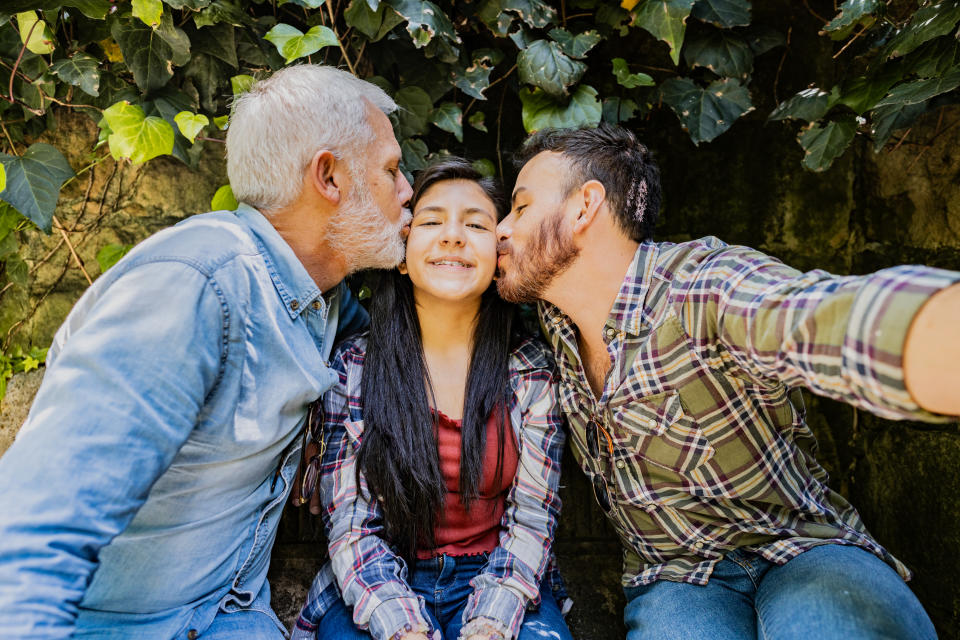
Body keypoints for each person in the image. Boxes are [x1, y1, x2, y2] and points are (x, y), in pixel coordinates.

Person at [494, 123, 960, 639]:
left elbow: (816, 319)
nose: (500, 228)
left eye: (520, 207)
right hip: (674, 576)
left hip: (801, 544)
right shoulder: (553, 326)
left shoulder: (703, 286)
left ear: (585, 207)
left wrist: (931, 334)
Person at [0, 64, 413, 639]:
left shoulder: (321, 295)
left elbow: (391, 357)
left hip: (230, 613)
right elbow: (40, 519)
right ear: (330, 176)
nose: (408, 191)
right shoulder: (196, 287)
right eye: (392, 170)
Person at [289, 158, 572, 640]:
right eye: (433, 221)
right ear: (401, 255)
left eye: (476, 225)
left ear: (499, 253)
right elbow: (352, 527)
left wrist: (490, 624)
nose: (454, 236)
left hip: (498, 577)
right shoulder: (354, 368)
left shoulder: (531, 371)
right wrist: (403, 628)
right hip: (379, 578)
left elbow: (532, 521)